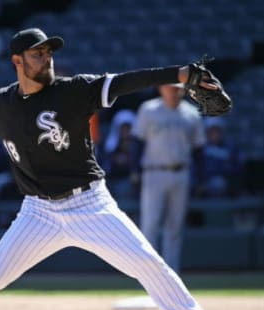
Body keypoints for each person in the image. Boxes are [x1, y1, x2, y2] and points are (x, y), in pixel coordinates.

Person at [0, 28, 214, 310]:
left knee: (151, 266)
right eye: (37, 54)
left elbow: (126, 81)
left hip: (89, 206)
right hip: (37, 213)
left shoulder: (74, 90)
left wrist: (179, 73)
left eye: (49, 53)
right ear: (17, 60)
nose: (47, 59)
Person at [131, 83, 206, 273]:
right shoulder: (148, 110)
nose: (174, 91)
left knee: (175, 225)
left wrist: (201, 177)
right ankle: (149, 272)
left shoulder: (191, 113)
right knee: (151, 224)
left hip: (182, 172)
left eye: (178, 88)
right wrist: (134, 170)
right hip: (154, 172)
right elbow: (137, 142)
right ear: (161, 89)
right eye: (170, 87)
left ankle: (172, 272)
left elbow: (199, 149)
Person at [202, 117, 244, 197]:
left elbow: (238, 167)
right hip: (205, 184)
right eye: (211, 131)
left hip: (226, 184)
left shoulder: (231, 148)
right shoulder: (201, 149)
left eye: (217, 131)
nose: (214, 134)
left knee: (219, 183)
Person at [102, 109, 137, 198]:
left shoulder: (137, 146)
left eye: (128, 127)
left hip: (133, 184)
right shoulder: (111, 146)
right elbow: (106, 168)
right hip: (114, 181)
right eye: (123, 128)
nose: (125, 131)